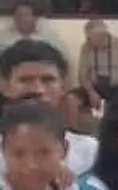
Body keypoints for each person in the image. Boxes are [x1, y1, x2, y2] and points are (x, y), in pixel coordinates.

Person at [1, 40, 99, 178]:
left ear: (63, 87)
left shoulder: (89, 151)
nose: (38, 90)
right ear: (4, 86)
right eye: (25, 80)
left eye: (48, 80)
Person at [77, 19, 118, 112]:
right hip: (96, 86)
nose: (90, 41)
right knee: (71, 98)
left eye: (94, 38)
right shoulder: (86, 47)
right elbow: (82, 75)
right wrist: (91, 92)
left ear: (104, 35)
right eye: (89, 38)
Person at [0, 1, 64, 53]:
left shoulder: (48, 37)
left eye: (26, 15)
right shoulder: (3, 38)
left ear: (35, 18)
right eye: (18, 15)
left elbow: (63, 59)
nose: (22, 19)